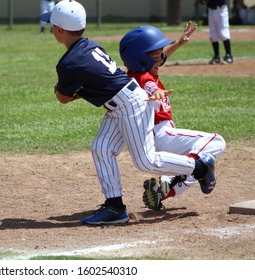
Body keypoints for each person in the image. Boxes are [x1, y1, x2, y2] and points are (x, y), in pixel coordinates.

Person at [41, 0, 217, 226]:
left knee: (146, 162)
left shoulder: (69, 63)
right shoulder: (90, 45)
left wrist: (63, 90)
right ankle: (115, 208)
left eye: (52, 26)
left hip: (130, 105)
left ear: (59, 30)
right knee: (101, 148)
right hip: (122, 101)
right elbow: (98, 82)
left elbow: (63, 98)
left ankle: (201, 167)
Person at [119, 23, 226, 210]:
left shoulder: (138, 72)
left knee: (203, 158)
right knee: (217, 143)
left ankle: (166, 189)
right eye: (155, 56)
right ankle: (195, 168)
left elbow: (160, 56)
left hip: (155, 140)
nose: (160, 59)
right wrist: (157, 92)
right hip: (162, 134)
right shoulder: (145, 79)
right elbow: (151, 88)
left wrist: (179, 43)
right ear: (142, 60)